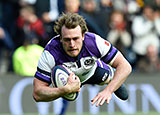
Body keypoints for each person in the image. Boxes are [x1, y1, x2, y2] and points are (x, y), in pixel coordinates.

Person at [33, 13, 132, 107]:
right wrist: (64, 90)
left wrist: (108, 90)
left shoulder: (95, 42)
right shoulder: (50, 53)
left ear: (83, 36)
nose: (72, 44)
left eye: (75, 38)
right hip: (68, 80)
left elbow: (125, 66)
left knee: (121, 91)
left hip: (92, 71)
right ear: (60, 38)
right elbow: (37, 93)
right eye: (67, 39)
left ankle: (110, 74)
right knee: (67, 99)